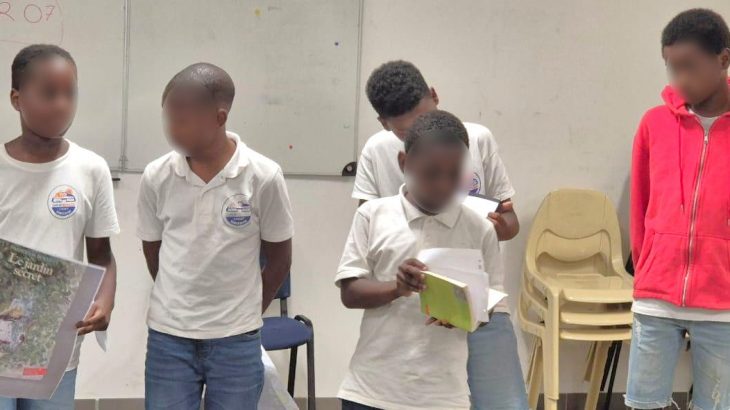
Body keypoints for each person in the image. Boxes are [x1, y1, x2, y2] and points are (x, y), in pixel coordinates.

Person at [354, 60, 527, 409]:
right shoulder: (376, 151)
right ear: (384, 123)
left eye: (425, 118)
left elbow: (510, 223)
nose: (423, 137)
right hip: (413, 310)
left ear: (435, 96)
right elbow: (368, 234)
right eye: (406, 133)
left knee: (503, 402)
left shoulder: (477, 139)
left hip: (481, 301)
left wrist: (495, 225)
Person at [137, 63, 294, 410]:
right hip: (169, 337)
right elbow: (153, 248)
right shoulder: (157, 175)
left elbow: (280, 258)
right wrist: (177, 300)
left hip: (236, 341)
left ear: (219, 118)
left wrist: (246, 312)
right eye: (168, 119)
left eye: (182, 121)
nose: (172, 130)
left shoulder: (263, 176)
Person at [336, 110, 504, 410]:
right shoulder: (372, 215)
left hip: (443, 396)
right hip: (371, 389)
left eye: (454, 174)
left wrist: (465, 313)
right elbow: (349, 293)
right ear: (405, 163)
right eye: (431, 173)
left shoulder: (480, 230)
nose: (443, 185)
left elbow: (490, 308)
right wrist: (396, 288)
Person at [0, 44, 120, 410]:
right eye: (49, 94)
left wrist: (105, 301)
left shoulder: (90, 169)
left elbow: (101, 254)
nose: (62, 105)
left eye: (70, 93)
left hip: (54, 346)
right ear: (17, 99)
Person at [627, 8, 730, 410]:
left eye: (690, 66)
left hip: (723, 302)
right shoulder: (654, 124)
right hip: (656, 296)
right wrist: (647, 268)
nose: (680, 79)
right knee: (643, 404)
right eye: (672, 67)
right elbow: (641, 205)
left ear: (723, 59)